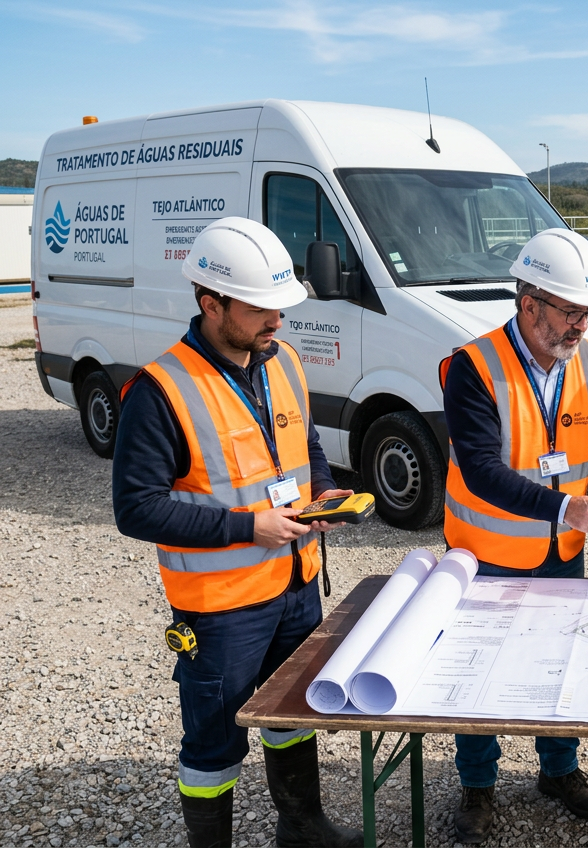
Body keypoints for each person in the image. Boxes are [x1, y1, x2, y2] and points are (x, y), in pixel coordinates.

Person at [112, 217, 361, 848]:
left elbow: (302, 447)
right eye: (262, 309)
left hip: (296, 582)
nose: (278, 320)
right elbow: (136, 508)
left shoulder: (283, 361)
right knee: (214, 740)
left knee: (292, 713)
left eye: (281, 306)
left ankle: (302, 828)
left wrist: (324, 491)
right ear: (211, 305)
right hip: (221, 608)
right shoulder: (160, 390)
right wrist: (248, 526)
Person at [440, 227, 588, 845]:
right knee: (477, 676)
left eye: (587, 311)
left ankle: (560, 769)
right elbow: (481, 470)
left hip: (562, 556)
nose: (580, 324)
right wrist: (564, 511)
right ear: (528, 304)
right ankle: (477, 784)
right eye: (569, 311)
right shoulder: (472, 366)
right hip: (486, 556)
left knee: (559, 664)